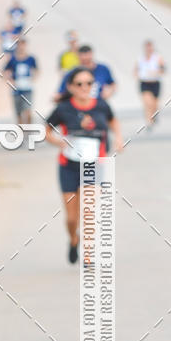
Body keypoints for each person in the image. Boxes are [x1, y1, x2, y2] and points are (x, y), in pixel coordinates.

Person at [45, 66, 123, 264]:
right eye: (79, 84)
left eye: (89, 83)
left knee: (89, 210)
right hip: (69, 166)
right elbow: (46, 130)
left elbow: (113, 121)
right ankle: (73, 239)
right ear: (71, 87)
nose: (84, 87)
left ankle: (88, 252)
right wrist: (57, 141)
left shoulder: (101, 105)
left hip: (94, 165)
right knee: (72, 218)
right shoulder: (63, 109)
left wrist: (118, 139)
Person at [4, 37, 39, 125]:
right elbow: (5, 71)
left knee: (28, 110)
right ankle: (20, 131)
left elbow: (37, 70)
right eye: (19, 45)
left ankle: (29, 128)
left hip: (27, 88)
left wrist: (33, 78)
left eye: (22, 44)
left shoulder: (31, 58)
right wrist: (10, 81)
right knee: (18, 112)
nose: (21, 47)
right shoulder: (12, 59)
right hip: (17, 88)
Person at [135, 39, 165, 129]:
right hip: (144, 83)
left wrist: (155, 72)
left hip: (155, 83)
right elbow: (136, 70)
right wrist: (137, 75)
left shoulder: (157, 58)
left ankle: (154, 114)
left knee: (154, 104)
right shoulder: (141, 58)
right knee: (147, 102)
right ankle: (149, 121)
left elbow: (163, 69)